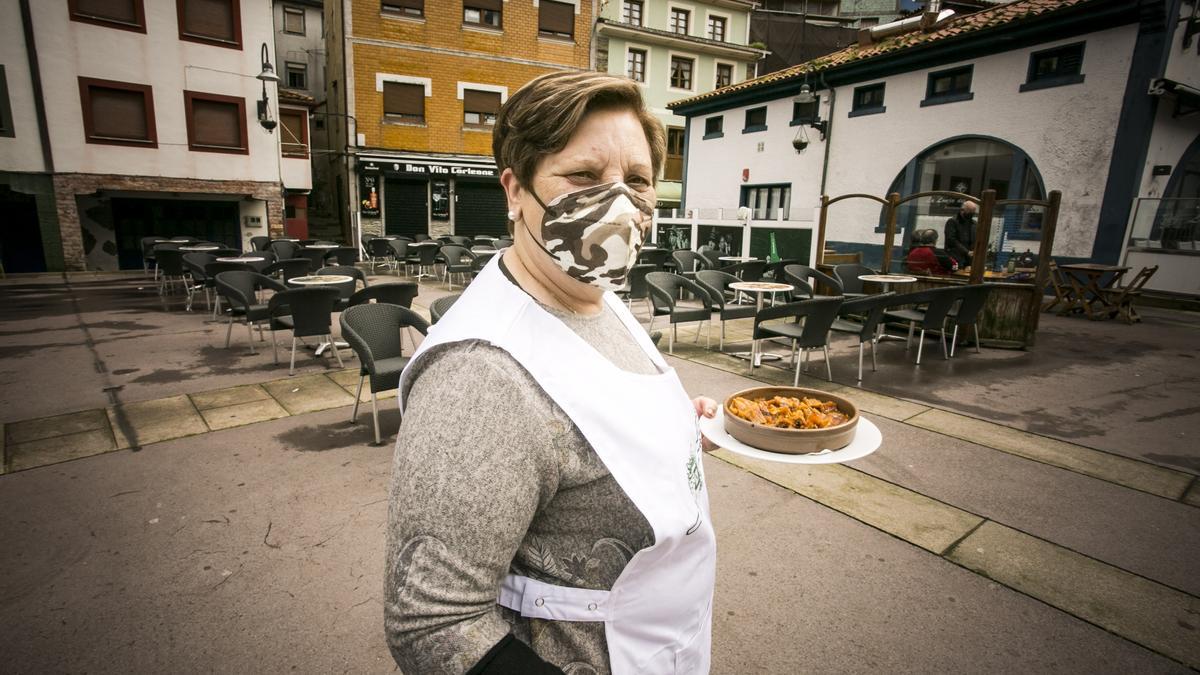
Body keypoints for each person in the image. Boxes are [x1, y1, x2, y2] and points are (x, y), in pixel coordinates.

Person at [386, 71, 720, 675]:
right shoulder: (479, 378)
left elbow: (584, 424)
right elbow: (432, 622)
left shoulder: (598, 292)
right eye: (584, 176)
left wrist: (671, 429)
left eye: (637, 181)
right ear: (515, 190)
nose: (620, 202)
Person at [944, 200, 978, 269]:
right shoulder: (952, 221)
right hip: (955, 258)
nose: (972, 214)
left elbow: (976, 239)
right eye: (970, 212)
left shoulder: (974, 223)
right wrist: (966, 251)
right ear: (962, 210)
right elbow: (951, 240)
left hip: (969, 259)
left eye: (973, 213)